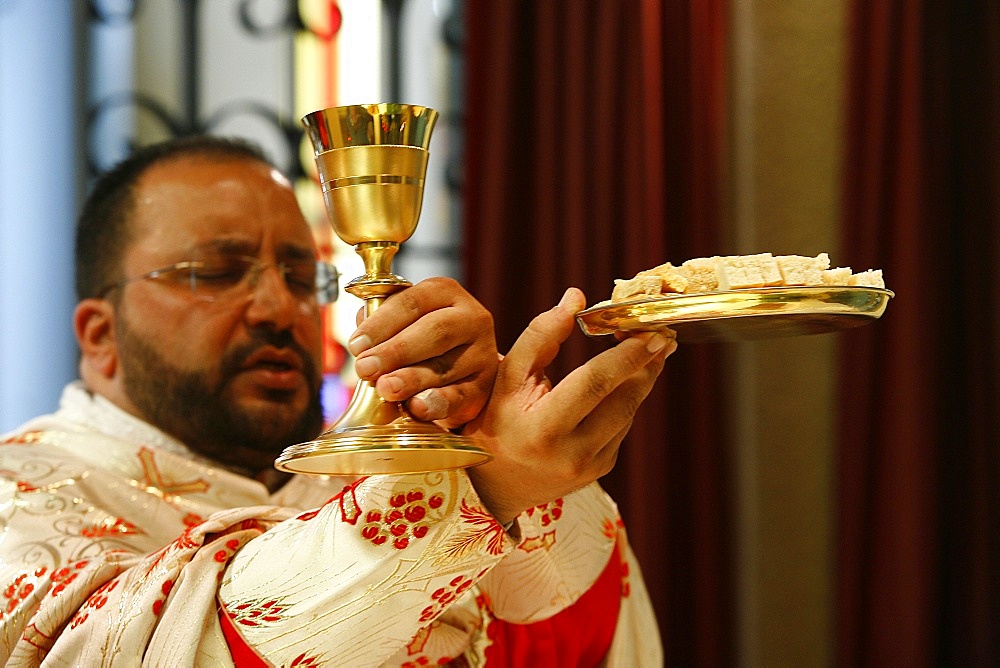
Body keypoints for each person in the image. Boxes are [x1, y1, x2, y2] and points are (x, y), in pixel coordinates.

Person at [0, 136, 676, 666]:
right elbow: (157, 643)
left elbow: (567, 627)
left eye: (300, 275)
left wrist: (484, 438)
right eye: (215, 272)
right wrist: (480, 488)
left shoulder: (380, 471)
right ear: (100, 335)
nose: (277, 307)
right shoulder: (22, 499)